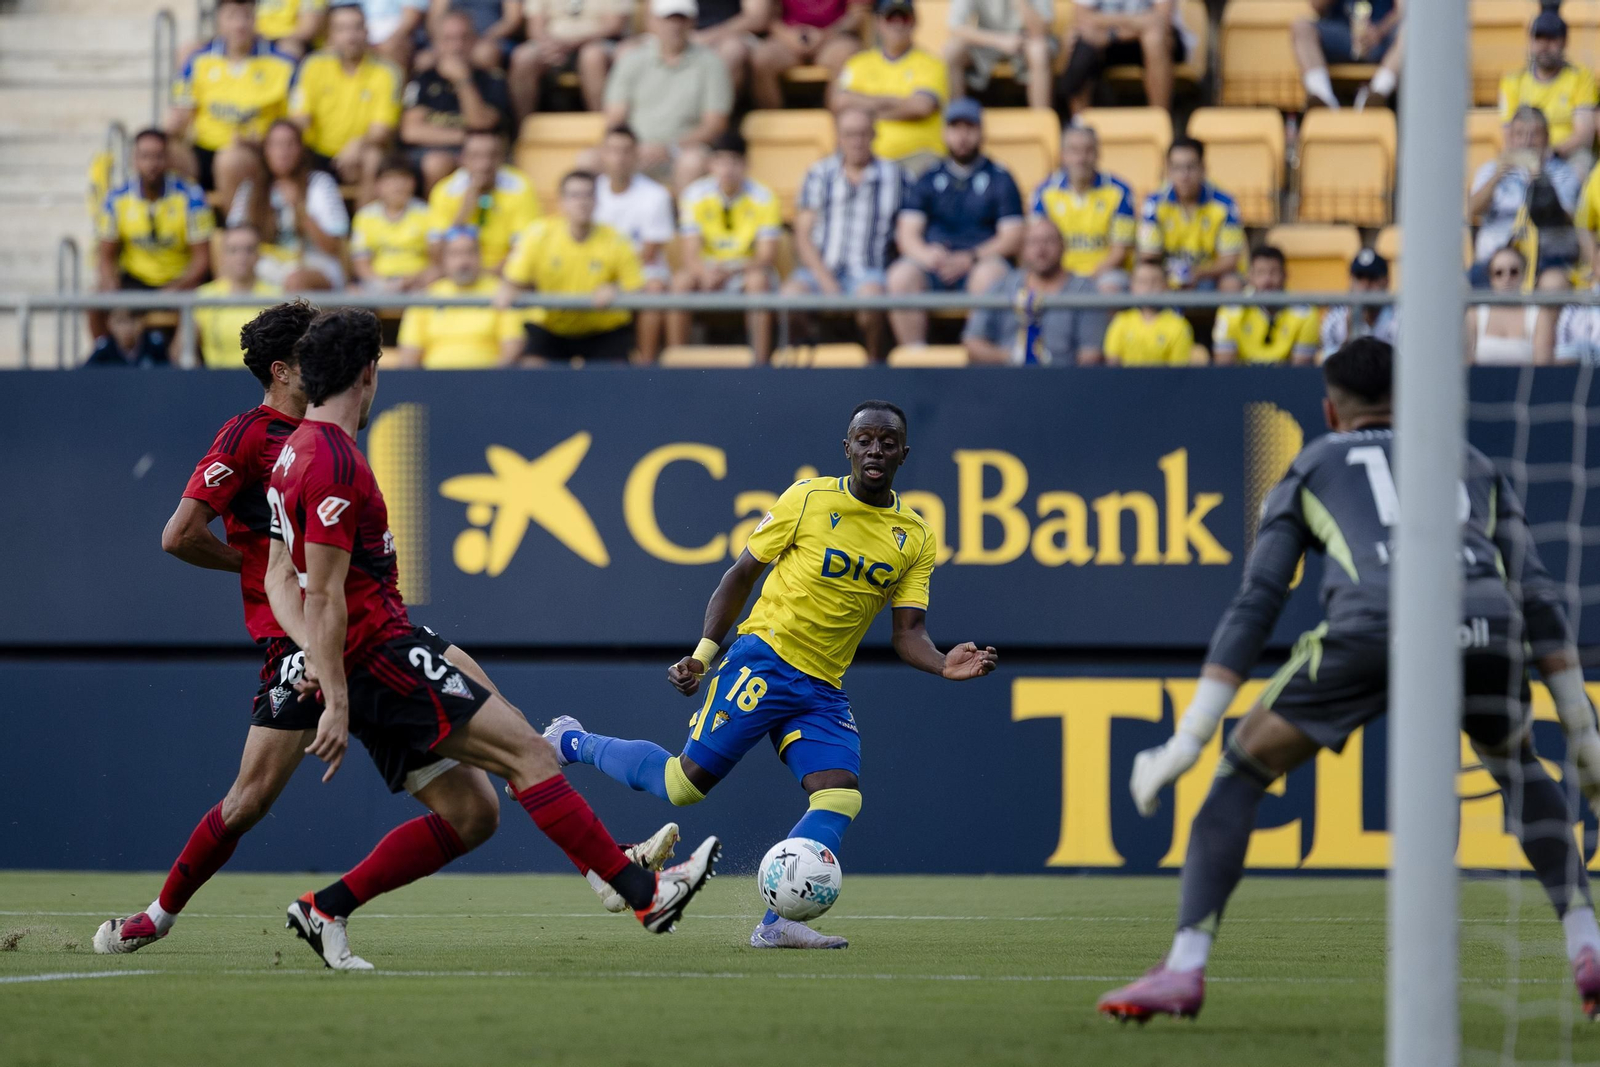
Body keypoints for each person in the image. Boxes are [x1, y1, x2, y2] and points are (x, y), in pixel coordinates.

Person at [1098, 338, 1600, 1022]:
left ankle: (1184, 966)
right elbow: (1537, 594)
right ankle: (1588, 942)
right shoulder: (1471, 462)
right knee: (1518, 766)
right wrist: (1582, 734)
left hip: (1373, 627)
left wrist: (1187, 737)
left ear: (1331, 411)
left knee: (1242, 767)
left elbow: (1258, 599)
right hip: (1486, 625)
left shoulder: (1312, 462)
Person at [267, 308, 721, 962]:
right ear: (368, 373)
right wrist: (334, 692)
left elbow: (283, 575)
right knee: (530, 756)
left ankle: (324, 907)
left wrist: (319, 659)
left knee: (476, 813)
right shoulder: (334, 458)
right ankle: (641, 891)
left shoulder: (293, 452)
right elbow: (326, 591)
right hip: (379, 654)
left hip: (383, 644)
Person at [91, 302, 495, 961]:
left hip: (366, 624)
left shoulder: (327, 429)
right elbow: (179, 534)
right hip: (300, 643)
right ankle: (157, 916)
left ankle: (557, 793)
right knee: (248, 800)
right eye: (306, 351)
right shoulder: (248, 436)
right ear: (281, 370)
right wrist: (253, 562)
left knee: (477, 717)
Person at [546, 399, 998, 949]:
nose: (875, 449)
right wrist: (705, 654)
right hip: (764, 659)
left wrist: (942, 663)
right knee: (681, 786)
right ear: (847, 447)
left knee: (839, 794)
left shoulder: (916, 536)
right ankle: (570, 739)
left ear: (904, 453)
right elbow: (740, 576)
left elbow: (909, 633)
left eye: (887, 442)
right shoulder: (807, 499)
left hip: (822, 687)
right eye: (865, 440)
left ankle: (776, 922)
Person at [885, 98, 1023, 346]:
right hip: (935, 264)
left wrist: (971, 257)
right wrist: (927, 255)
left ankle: (980, 352)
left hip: (979, 260)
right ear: (945, 133)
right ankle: (915, 359)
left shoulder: (1000, 177)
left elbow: (1012, 236)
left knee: (990, 276)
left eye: (969, 128)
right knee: (901, 275)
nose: (962, 136)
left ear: (982, 132)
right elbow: (907, 232)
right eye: (955, 128)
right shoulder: (928, 176)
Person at [783, 108, 904, 358]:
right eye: (850, 134)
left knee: (872, 299)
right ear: (838, 137)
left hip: (869, 270)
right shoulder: (819, 173)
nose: (857, 141)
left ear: (873, 135)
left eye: (862, 134)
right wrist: (825, 278)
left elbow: (907, 228)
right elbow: (802, 235)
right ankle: (802, 362)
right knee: (789, 298)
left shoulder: (896, 175)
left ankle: (873, 363)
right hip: (820, 268)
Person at [496, 170, 644, 364]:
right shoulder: (538, 235)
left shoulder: (616, 239)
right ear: (561, 201)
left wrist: (616, 290)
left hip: (604, 330)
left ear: (596, 201)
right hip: (551, 328)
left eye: (588, 195)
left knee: (617, 377)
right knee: (531, 370)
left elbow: (636, 287)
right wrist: (510, 288)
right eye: (574, 195)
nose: (581, 202)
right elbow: (514, 280)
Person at [168, 0, 297, 209]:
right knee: (157, 150)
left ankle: (236, 231)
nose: (240, 24)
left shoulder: (283, 64)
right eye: (232, 16)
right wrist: (171, 128)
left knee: (230, 160)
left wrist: (264, 140)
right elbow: (181, 112)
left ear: (256, 20)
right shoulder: (197, 62)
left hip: (256, 152)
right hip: (204, 149)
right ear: (219, 21)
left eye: (246, 16)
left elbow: (295, 119)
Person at [670, 131, 782, 361]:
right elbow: (690, 253)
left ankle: (760, 363)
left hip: (745, 269)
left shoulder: (765, 197)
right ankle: (676, 362)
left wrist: (731, 270)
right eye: (720, 161)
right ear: (711, 164)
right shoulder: (694, 195)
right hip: (708, 268)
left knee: (758, 281)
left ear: (746, 164)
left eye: (734, 162)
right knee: (680, 281)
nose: (727, 169)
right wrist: (705, 273)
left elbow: (765, 255)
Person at [93, 129, 213, 341]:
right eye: (145, 156)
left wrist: (177, 287)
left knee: (200, 309)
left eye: (158, 156)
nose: (152, 164)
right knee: (94, 299)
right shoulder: (116, 199)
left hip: (180, 280)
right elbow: (106, 256)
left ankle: (184, 364)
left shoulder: (192, 197)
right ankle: (106, 355)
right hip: (134, 280)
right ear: (135, 160)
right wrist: (109, 285)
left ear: (168, 159)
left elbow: (201, 260)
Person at [603, 0, 734, 192]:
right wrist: (633, 148)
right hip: (636, 150)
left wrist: (670, 147)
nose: (674, 26)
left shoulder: (711, 63)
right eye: (668, 19)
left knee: (692, 162)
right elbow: (615, 117)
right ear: (653, 22)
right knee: (593, 158)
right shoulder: (632, 59)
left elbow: (715, 124)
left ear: (692, 22)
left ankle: (686, 221)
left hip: (684, 150)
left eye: (681, 19)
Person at [289, 4, 403, 204]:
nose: (351, 36)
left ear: (367, 32)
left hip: (360, 153)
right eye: (341, 29)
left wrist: (358, 144)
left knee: (373, 157)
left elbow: (382, 130)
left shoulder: (387, 72)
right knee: (285, 149)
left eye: (357, 28)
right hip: (317, 152)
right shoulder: (313, 65)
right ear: (329, 35)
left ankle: (363, 230)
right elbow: (299, 119)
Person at [1028, 124, 1134, 326]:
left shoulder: (1120, 191)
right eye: (1074, 150)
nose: (1081, 158)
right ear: (1062, 155)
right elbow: (1037, 245)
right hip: (1057, 272)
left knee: (1109, 292)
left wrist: (1084, 281)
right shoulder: (1044, 192)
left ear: (1098, 154)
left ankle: (1099, 352)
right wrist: (1063, 280)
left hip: (1104, 274)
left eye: (1088, 150)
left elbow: (1120, 252)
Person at [228, 121, 352, 291]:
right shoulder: (251, 188)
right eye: (276, 145)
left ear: (301, 149)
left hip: (315, 262)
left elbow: (333, 247)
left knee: (295, 281)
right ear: (266, 150)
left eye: (290, 144)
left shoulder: (320, 184)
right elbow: (233, 237)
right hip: (265, 263)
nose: (283, 152)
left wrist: (299, 210)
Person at [400, 10, 514, 192]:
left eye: (464, 38)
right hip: (432, 153)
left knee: (475, 160)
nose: (457, 46)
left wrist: (462, 81)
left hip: (482, 156)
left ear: (475, 41)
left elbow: (480, 123)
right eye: (449, 39)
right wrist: (465, 136)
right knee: (435, 162)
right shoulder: (424, 79)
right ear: (436, 44)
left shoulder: (492, 80)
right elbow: (411, 131)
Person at [1469, 106, 1580, 289]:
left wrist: (1538, 178)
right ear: (1509, 138)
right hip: (1495, 262)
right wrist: (1497, 177)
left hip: (1546, 260)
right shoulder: (1490, 170)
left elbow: (1565, 217)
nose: (1526, 141)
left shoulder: (1563, 172)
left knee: (1554, 284)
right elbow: (1471, 210)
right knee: (1459, 287)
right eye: (1519, 134)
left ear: (1547, 138)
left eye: (1534, 134)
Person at [832, 0, 946, 175]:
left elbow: (921, 107)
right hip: (867, 160)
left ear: (914, 21)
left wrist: (867, 111)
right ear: (878, 22)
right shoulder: (858, 63)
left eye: (904, 18)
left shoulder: (932, 64)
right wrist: (900, 102)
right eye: (891, 18)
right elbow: (840, 102)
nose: (898, 24)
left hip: (918, 158)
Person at [594, 125, 676, 361]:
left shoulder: (656, 195)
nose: (619, 158)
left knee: (653, 290)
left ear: (636, 155)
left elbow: (649, 253)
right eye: (612, 150)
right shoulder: (590, 192)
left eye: (625, 151)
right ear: (602, 154)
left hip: (642, 273)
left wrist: (616, 282)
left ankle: (646, 365)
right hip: (600, 272)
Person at [963, 218, 1092, 364]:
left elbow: (1090, 354)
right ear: (1022, 249)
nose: (1041, 250)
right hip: (1007, 379)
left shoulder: (1084, 291)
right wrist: (1012, 358)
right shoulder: (1003, 287)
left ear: (1063, 246)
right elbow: (972, 342)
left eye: (1049, 241)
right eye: (1033, 242)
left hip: (1063, 379)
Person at [397, 228, 527, 367]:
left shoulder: (500, 293)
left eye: (470, 252)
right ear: (443, 260)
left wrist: (491, 383)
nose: (463, 261)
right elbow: (408, 356)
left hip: (488, 380)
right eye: (455, 254)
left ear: (480, 256)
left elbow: (511, 348)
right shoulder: (427, 297)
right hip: (434, 382)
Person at [1137, 137, 1244, 292]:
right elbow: (1148, 256)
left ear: (1203, 168)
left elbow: (1230, 260)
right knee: (1147, 277)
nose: (1184, 175)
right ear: (1168, 170)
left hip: (1210, 278)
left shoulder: (1225, 204)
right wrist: (1175, 275)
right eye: (1177, 168)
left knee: (1231, 283)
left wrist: (1197, 273)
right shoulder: (1154, 203)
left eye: (1191, 167)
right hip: (1167, 277)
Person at [425, 130, 541, 272]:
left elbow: (525, 250)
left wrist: (486, 276)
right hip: (457, 275)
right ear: (463, 159)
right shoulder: (445, 191)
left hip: (504, 274)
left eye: (492, 155)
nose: (484, 164)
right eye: (476, 156)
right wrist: (463, 213)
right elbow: (436, 256)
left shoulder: (520, 187)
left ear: (502, 158)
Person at [1499, 8, 1597, 175]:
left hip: (1567, 155)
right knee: (1492, 171)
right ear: (1530, 42)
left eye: (1552, 39)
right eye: (1539, 38)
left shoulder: (1581, 77)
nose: (1545, 46)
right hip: (1525, 154)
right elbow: (1509, 136)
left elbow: (1584, 134)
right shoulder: (1513, 81)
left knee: (1582, 164)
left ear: (1564, 42)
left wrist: (1551, 153)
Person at [1059, 0, 1193, 116]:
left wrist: (1110, 34)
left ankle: (1161, 118)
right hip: (1108, 41)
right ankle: (1079, 125)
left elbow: (1160, 21)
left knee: (1154, 38)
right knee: (1075, 38)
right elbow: (1082, 19)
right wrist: (1136, 21)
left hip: (1157, 44)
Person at [509, 0, 633, 119]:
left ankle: (605, 127)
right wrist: (550, 45)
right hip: (552, 45)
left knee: (592, 56)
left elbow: (614, 25)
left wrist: (573, 43)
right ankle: (522, 129)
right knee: (523, 57)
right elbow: (535, 28)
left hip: (598, 42)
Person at [187, 226, 285, 369]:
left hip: (263, 382)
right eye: (233, 250)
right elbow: (181, 351)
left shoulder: (277, 296)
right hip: (217, 381)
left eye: (249, 249)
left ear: (258, 255)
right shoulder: (204, 296)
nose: (241, 257)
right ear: (222, 255)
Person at [749, 0, 866, 111]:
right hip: (786, 38)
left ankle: (839, 124)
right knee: (762, 57)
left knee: (847, 55)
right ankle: (772, 124)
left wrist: (826, 35)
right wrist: (789, 37)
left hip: (834, 39)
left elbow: (858, 13)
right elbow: (768, 16)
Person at [1211, 246, 1319, 365]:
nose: (1267, 280)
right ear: (1250, 276)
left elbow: (1299, 371)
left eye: (1273, 272)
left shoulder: (1305, 313)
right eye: (1260, 273)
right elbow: (1224, 368)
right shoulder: (1231, 311)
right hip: (1242, 381)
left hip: (1286, 380)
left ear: (1285, 275)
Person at [1291, 0, 1402, 111]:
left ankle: (1376, 94)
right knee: (1302, 28)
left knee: (1410, 31)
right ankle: (1323, 100)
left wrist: (1379, 31)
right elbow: (1316, 5)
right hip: (1342, 36)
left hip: (1383, 39)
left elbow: (1403, 9)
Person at [945, 0, 1053, 111]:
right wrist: (999, 41)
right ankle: (957, 119)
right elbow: (956, 27)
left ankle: (1041, 120)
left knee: (1038, 51)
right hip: (988, 42)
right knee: (952, 51)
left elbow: (1040, 31)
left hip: (1026, 42)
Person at [351, 158, 434, 291]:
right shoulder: (365, 217)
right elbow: (361, 263)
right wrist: (382, 285)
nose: (398, 185)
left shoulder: (427, 213)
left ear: (414, 183)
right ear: (377, 185)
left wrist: (410, 280)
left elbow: (435, 261)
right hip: (377, 284)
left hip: (418, 284)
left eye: (404, 178)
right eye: (390, 179)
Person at [1465, 245, 1553, 366]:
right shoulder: (1475, 313)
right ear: (1491, 278)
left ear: (1524, 275)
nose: (1506, 278)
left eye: (1514, 272)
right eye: (1499, 273)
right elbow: (1466, 363)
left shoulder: (1539, 314)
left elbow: (1543, 366)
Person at [1103, 258, 1198, 365]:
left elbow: (1178, 373)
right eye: (1142, 281)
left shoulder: (1179, 325)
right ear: (1132, 286)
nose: (1149, 287)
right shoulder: (1120, 321)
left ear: (1165, 286)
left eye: (1155, 281)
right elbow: (1112, 366)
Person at [1319, 248, 1396, 360]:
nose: (1365, 285)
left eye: (1372, 278)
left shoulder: (1401, 317)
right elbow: (1331, 369)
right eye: (1360, 277)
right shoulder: (1335, 318)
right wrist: (1348, 337)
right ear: (1350, 281)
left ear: (1387, 281)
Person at [692, 0, 769, 97]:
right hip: (687, 37)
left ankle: (714, 110)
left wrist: (707, 37)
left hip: (738, 35)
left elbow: (757, 18)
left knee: (732, 50)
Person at [427, 0, 523, 69]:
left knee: (485, 54)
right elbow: (435, 19)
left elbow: (512, 20)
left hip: (492, 40)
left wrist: (482, 38)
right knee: (426, 60)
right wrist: (443, 42)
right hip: (452, 38)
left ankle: (490, 94)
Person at [83, 309, 171, 368]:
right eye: (120, 321)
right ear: (109, 323)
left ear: (141, 321)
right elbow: (86, 374)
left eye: (132, 320)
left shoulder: (154, 345)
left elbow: (169, 371)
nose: (127, 328)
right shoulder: (104, 348)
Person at [360, 0, 429, 68]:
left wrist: (390, 42)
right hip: (363, 34)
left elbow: (411, 16)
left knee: (396, 44)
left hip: (396, 35)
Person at [257, 0, 329, 57]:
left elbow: (308, 28)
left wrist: (273, 39)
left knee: (289, 46)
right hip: (259, 41)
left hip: (294, 45)